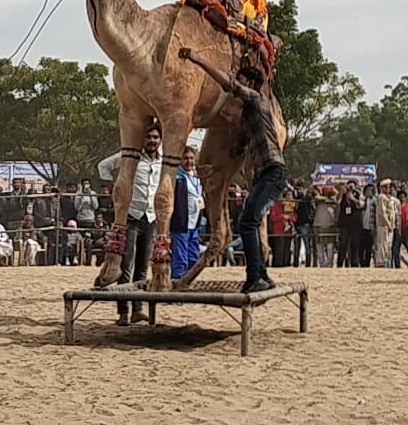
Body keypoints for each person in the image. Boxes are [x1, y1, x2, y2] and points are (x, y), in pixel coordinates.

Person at [181, 48, 288, 293]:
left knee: (248, 222)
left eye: (241, 79)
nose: (237, 83)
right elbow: (234, 152)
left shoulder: (257, 100)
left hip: (273, 172)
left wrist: (199, 60)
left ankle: (255, 277)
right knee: (249, 221)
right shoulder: (247, 120)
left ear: (249, 83)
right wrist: (211, 169)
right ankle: (261, 275)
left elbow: (230, 85)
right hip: (267, 175)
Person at [100, 123, 163, 324]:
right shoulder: (130, 156)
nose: (152, 141)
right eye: (148, 137)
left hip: (151, 217)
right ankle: (123, 312)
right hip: (131, 216)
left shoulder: (163, 162)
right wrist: (115, 189)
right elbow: (103, 166)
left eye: (155, 137)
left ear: (160, 140)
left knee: (143, 267)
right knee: (126, 266)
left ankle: (137, 308)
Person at [171, 146, 205, 280]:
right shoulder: (176, 177)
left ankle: (189, 284)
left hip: (194, 224)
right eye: (185, 158)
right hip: (180, 224)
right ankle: (177, 286)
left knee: (193, 257)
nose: (189, 161)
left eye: (191, 158)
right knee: (180, 259)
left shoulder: (197, 177)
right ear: (180, 160)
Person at [374, 179, 399, 267]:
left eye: (389, 187)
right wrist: (388, 224)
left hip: (390, 225)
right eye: (386, 187)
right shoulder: (382, 198)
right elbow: (382, 212)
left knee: (388, 245)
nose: (388, 189)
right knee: (383, 244)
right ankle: (381, 262)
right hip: (383, 224)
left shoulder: (390, 199)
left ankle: (386, 261)